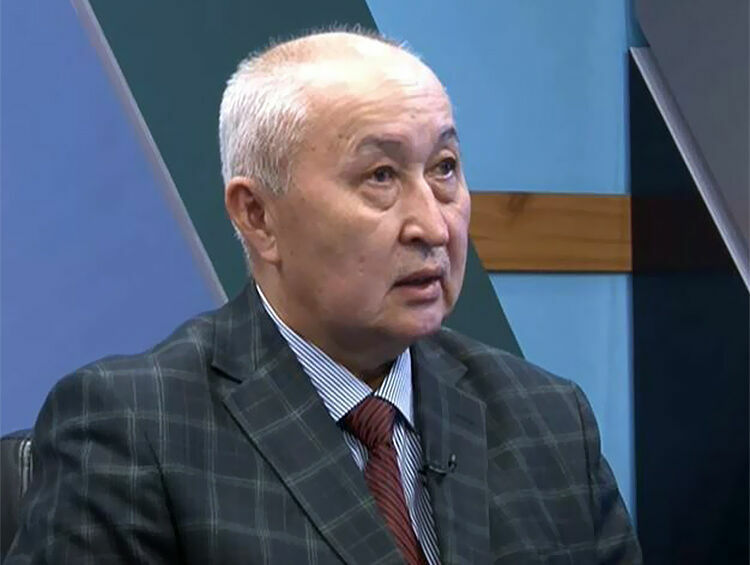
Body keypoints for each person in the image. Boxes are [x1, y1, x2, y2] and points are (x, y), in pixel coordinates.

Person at [6, 30, 641, 564]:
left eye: (444, 168)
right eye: (381, 176)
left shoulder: (549, 419)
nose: (433, 225)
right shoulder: (136, 430)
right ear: (258, 216)